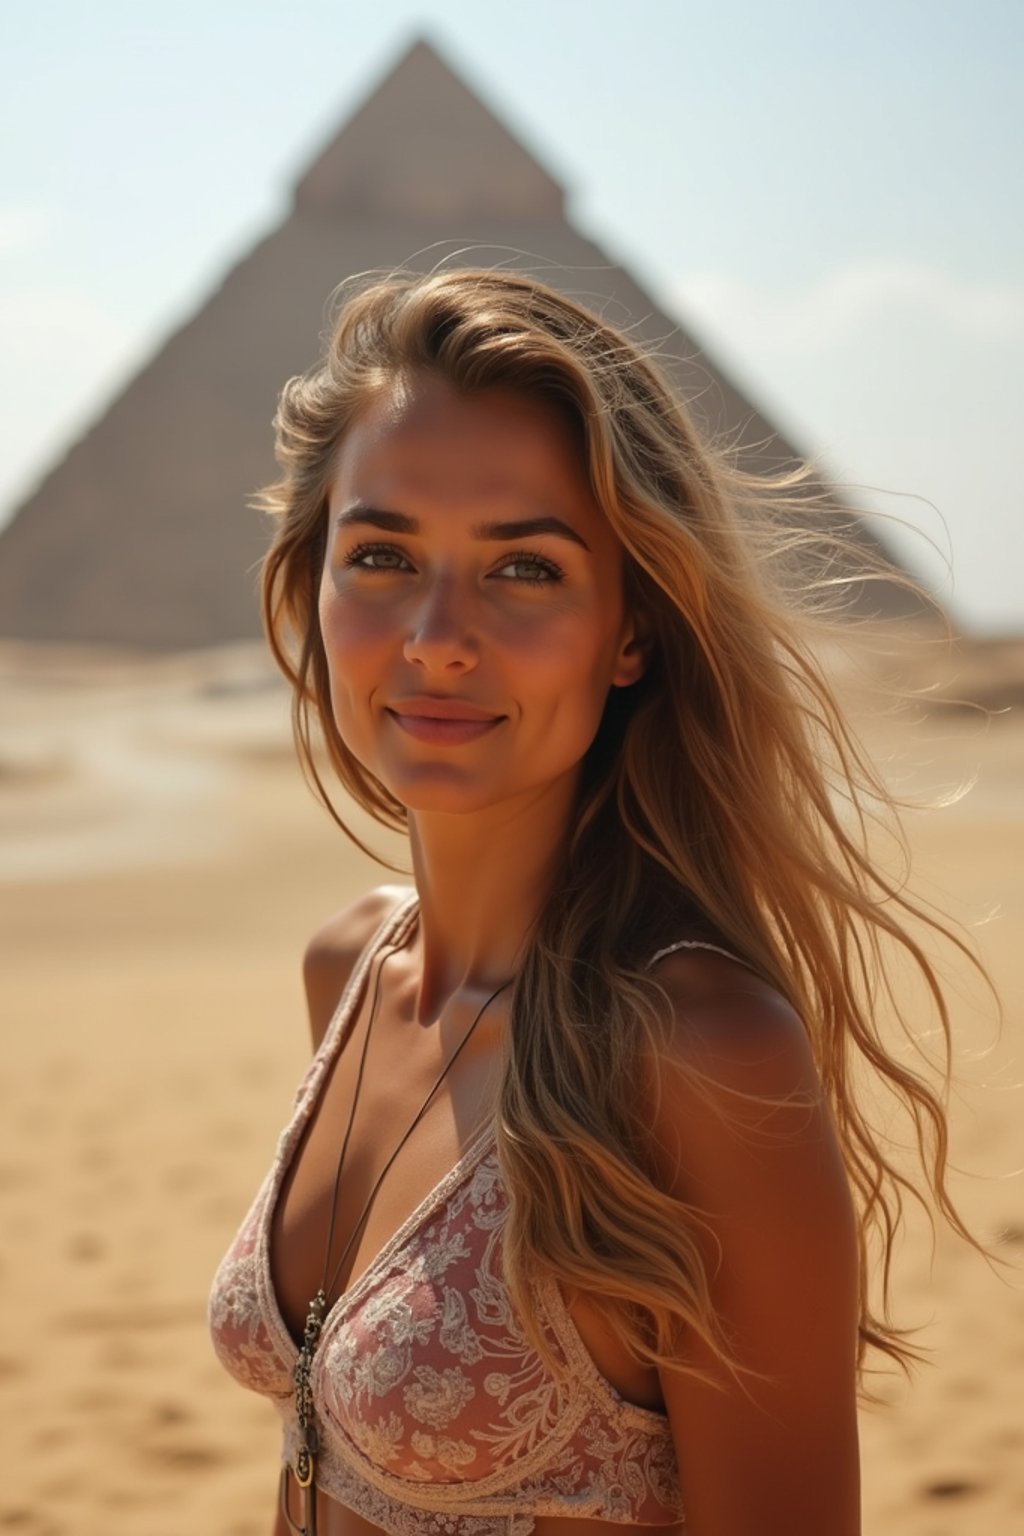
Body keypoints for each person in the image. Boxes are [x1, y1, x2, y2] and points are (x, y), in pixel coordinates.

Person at [208, 268, 984, 1536]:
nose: (437, 636)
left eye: (522, 569)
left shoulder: (697, 1053)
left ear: (631, 631)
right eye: (382, 555)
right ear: (312, 586)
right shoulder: (347, 968)